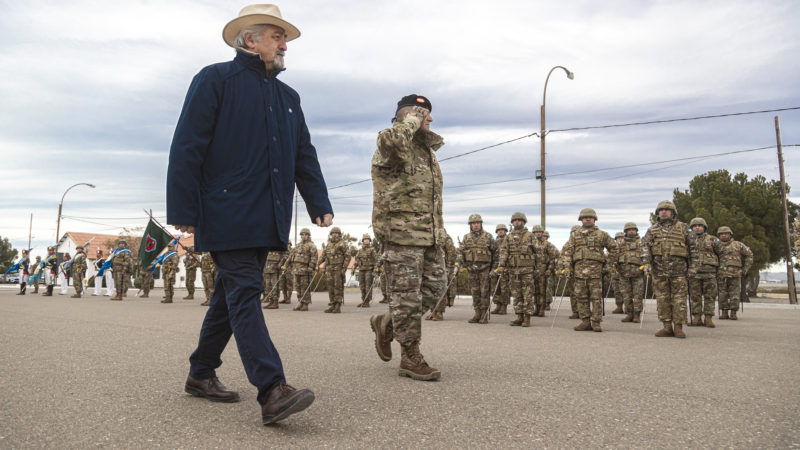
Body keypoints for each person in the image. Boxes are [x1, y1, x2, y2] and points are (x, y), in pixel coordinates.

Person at [166, 4, 332, 424]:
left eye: (285, 38)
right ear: (250, 40)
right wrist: (184, 209)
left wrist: (319, 203)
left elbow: (303, 154)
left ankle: (201, 373)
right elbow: (188, 144)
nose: (284, 44)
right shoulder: (215, 79)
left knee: (230, 295)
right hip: (224, 208)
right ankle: (272, 388)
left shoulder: (288, 97)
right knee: (244, 290)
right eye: (277, 36)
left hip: (268, 211)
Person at [369, 94, 445, 381]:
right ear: (408, 115)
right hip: (400, 234)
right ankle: (410, 357)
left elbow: (431, 198)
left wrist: (442, 233)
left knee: (437, 289)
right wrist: (411, 119)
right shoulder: (391, 144)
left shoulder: (426, 152)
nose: (430, 119)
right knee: (407, 297)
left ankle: (387, 322)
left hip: (429, 235)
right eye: (423, 113)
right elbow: (392, 142)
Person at [641, 201, 695, 338]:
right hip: (659, 272)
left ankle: (678, 327)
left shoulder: (683, 227)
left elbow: (694, 249)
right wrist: (646, 263)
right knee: (662, 300)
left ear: (673, 212)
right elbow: (645, 247)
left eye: (667, 209)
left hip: (679, 272)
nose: (664, 212)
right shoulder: (652, 230)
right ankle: (666, 326)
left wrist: (693, 267)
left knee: (679, 300)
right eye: (661, 210)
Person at [560, 208, 617, 332]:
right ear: (581, 220)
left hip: (596, 273)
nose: (587, 219)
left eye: (590, 217)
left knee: (596, 298)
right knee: (581, 298)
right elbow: (567, 252)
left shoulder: (602, 234)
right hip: (579, 272)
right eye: (585, 217)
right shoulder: (575, 235)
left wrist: (608, 265)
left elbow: (614, 248)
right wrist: (567, 267)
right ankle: (585, 321)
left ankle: (596, 322)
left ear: (594, 219)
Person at [495, 212, 537, 327]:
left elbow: (538, 252)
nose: (517, 222)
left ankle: (527, 317)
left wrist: (537, 268)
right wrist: (501, 266)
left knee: (527, 294)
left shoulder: (530, 236)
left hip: (527, 270)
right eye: (515, 220)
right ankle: (519, 316)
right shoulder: (508, 237)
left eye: (519, 220)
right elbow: (504, 252)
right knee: (516, 294)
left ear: (524, 222)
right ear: (512, 223)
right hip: (514, 270)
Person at [459, 214, 498, 323]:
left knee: (484, 292)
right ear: (470, 225)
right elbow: (461, 252)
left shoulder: (489, 237)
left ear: (480, 224)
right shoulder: (466, 237)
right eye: (473, 223)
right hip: (471, 270)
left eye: (477, 223)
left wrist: (494, 269)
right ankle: (477, 313)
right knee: (475, 292)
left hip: (485, 269)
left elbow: (496, 254)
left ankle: (484, 315)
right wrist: (460, 265)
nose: (475, 225)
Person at [688, 218, 721, 327]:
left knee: (710, 296)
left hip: (709, 272)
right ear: (692, 228)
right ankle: (696, 318)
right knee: (695, 296)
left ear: (704, 227)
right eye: (695, 225)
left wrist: (720, 270)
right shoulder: (687, 240)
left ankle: (708, 318)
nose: (697, 227)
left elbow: (722, 254)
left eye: (700, 225)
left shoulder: (713, 240)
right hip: (694, 273)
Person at [716, 226, 753, 320]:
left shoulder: (738, 245)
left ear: (730, 234)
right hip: (721, 274)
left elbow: (749, 255)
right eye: (721, 234)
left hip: (735, 274)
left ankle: (733, 312)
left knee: (735, 294)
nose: (723, 235)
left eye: (726, 234)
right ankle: (724, 312)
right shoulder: (716, 245)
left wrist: (745, 269)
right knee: (722, 294)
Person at [617, 223, 645, 323]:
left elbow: (646, 256)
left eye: (633, 229)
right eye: (629, 230)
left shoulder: (642, 242)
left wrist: (646, 266)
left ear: (636, 231)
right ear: (626, 232)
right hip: (624, 274)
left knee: (638, 295)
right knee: (626, 295)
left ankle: (637, 315)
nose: (631, 231)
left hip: (637, 273)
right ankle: (629, 314)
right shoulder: (621, 244)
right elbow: (615, 256)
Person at [317, 227, 349, 313]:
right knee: (330, 287)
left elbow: (347, 256)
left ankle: (338, 306)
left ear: (339, 234)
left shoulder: (342, 244)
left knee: (337, 287)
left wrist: (344, 268)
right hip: (329, 269)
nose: (334, 234)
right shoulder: (328, 244)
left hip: (338, 269)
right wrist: (318, 263)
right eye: (333, 233)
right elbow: (323, 255)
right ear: (331, 234)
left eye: (336, 233)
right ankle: (332, 305)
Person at [290, 228, 318, 311]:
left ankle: (305, 304)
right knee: (298, 287)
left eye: (305, 234)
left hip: (305, 270)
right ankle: (300, 302)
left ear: (308, 235)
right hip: (297, 269)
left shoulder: (311, 245)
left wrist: (311, 266)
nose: (304, 236)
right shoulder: (298, 245)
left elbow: (314, 257)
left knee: (305, 287)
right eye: (302, 234)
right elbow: (292, 255)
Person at [490, 224, 511, 315]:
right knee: (495, 287)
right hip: (495, 267)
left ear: (505, 231)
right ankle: (497, 305)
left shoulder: (509, 240)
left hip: (505, 268)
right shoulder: (494, 242)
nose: (500, 231)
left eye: (502, 230)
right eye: (499, 230)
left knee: (504, 288)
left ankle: (504, 306)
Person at [353, 234, 378, 308]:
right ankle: (363, 300)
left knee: (368, 286)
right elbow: (357, 260)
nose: (366, 240)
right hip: (361, 270)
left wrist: (376, 269)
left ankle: (367, 301)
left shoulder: (372, 250)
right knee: (362, 286)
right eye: (365, 239)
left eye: (367, 239)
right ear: (363, 241)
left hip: (369, 270)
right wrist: (353, 268)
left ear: (369, 241)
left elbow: (376, 260)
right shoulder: (360, 250)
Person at [611, 232, 626, 314]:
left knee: (626, 291)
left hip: (625, 272)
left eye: (621, 238)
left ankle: (628, 307)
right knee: (617, 291)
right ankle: (619, 307)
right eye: (618, 238)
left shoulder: (626, 247)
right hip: (615, 273)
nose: (620, 239)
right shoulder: (612, 249)